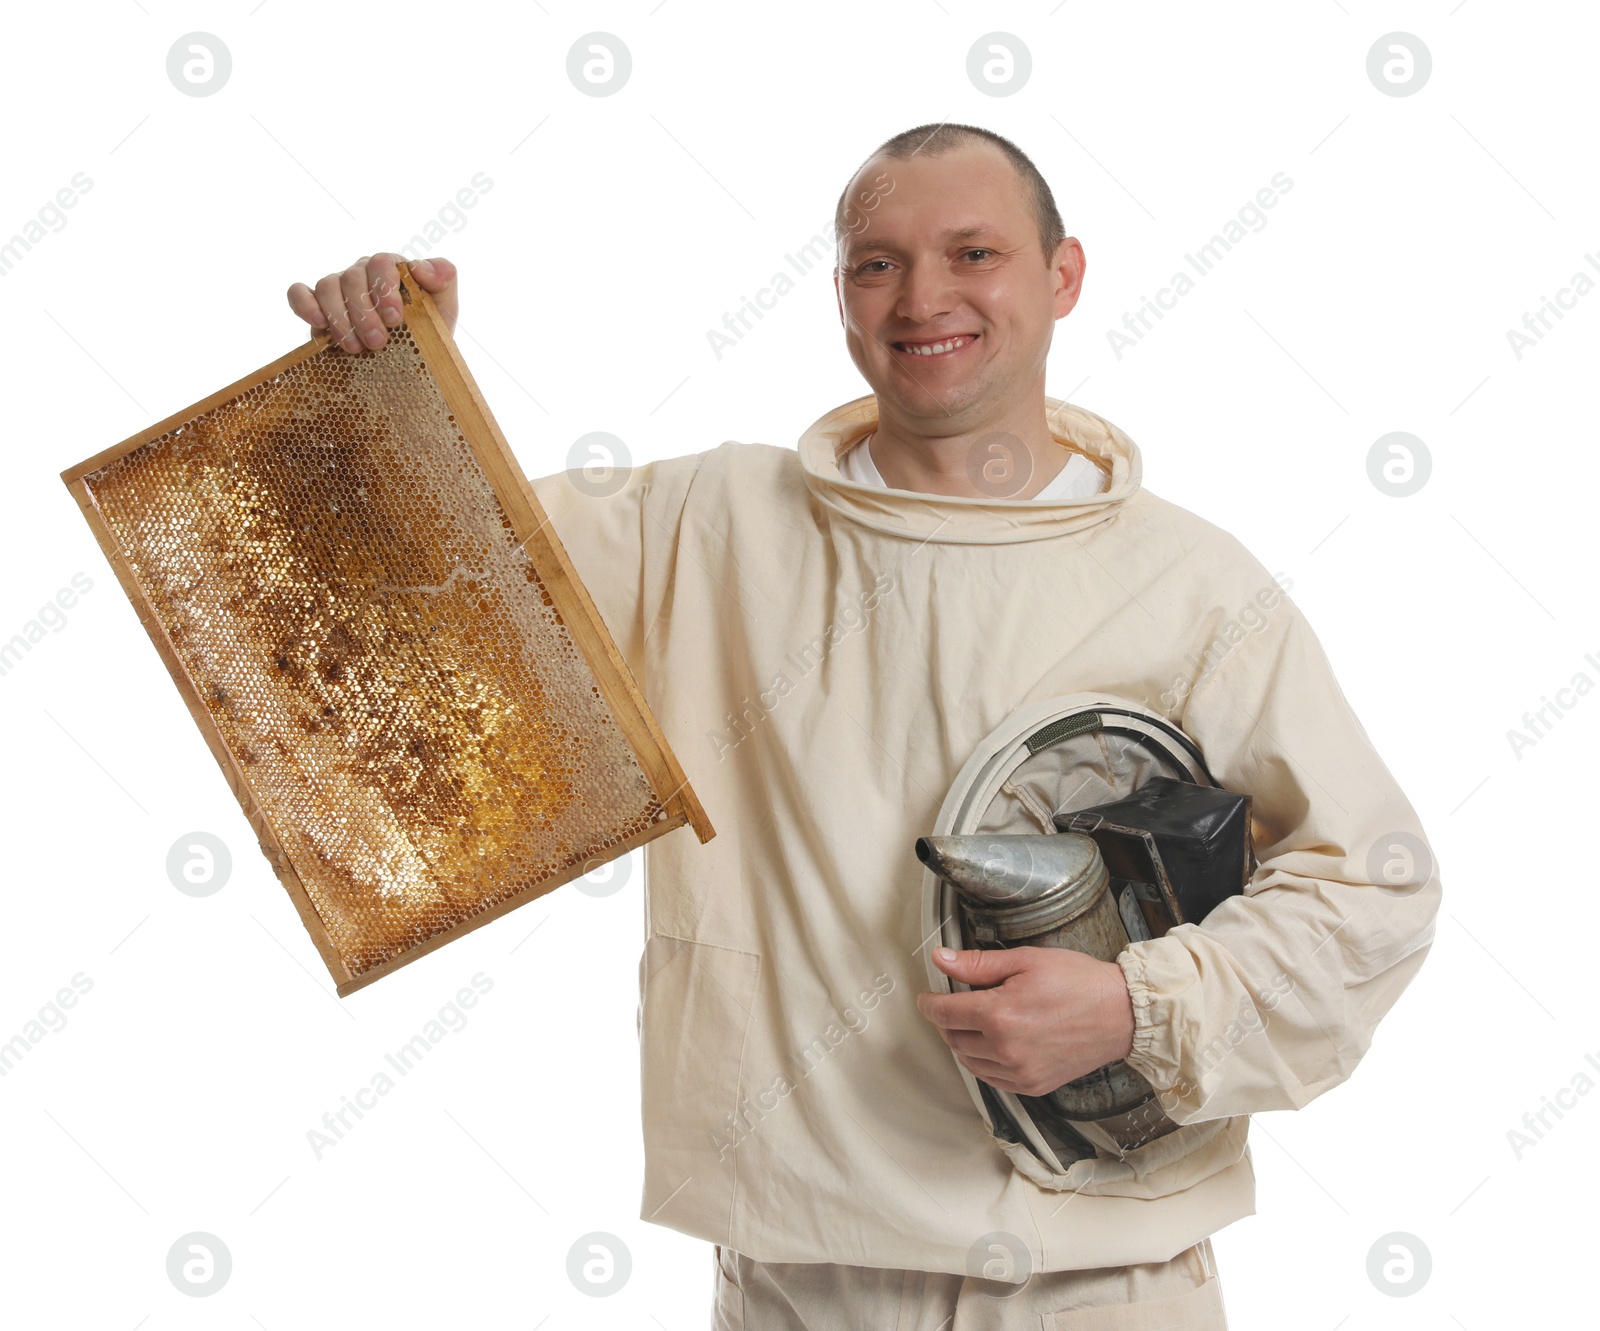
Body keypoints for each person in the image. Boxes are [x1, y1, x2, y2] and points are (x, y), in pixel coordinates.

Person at [287, 122, 1440, 1330]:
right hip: (800, 1273)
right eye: (875, 263)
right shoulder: (704, 525)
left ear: (1063, 276)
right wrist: (387, 387)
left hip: (1100, 1279)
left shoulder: (1194, 584)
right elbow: (410, 604)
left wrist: (1135, 1007)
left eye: (973, 251)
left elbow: (1374, 886)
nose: (921, 296)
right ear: (839, 294)